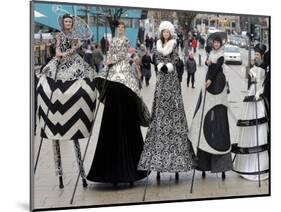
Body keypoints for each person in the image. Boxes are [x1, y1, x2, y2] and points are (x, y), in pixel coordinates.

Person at [36, 14, 97, 189]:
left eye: (70, 22)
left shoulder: (75, 36)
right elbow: (56, 50)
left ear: (72, 23)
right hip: (59, 62)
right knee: (45, 80)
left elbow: (76, 48)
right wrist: (59, 54)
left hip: (73, 63)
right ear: (63, 23)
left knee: (86, 82)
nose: (68, 23)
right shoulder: (59, 36)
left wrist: (70, 51)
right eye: (66, 22)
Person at [86, 21, 149, 186]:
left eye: (123, 27)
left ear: (124, 29)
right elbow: (110, 54)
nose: (121, 29)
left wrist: (113, 60)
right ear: (116, 29)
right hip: (113, 75)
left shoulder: (126, 40)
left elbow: (123, 54)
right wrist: (108, 62)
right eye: (119, 28)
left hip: (123, 75)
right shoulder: (112, 41)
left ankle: (131, 170)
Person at [138, 21, 196, 182]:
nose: (165, 34)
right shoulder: (157, 45)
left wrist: (169, 65)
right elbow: (155, 58)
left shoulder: (174, 45)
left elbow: (177, 59)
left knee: (174, 107)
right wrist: (158, 65)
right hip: (161, 80)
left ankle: (178, 160)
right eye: (163, 32)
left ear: (170, 33)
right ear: (161, 33)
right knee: (159, 107)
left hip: (170, 79)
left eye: (167, 32)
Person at [189, 36, 232, 180]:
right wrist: (208, 63)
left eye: (218, 42)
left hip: (217, 84)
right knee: (204, 117)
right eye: (214, 42)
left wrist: (210, 79)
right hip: (208, 85)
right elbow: (211, 67)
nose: (216, 44)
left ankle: (219, 163)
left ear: (220, 43)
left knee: (217, 119)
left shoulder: (220, 56)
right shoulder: (211, 54)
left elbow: (217, 68)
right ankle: (203, 161)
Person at [232, 44, 269, 181]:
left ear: (262, 55)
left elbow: (264, 83)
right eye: (255, 54)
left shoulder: (265, 66)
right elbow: (249, 81)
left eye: (258, 54)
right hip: (251, 96)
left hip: (259, 98)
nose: (256, 56)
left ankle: (259, 165)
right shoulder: (254, 64)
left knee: (259, 126)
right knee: (249, 127)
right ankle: (247, 164)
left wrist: (259, 93)